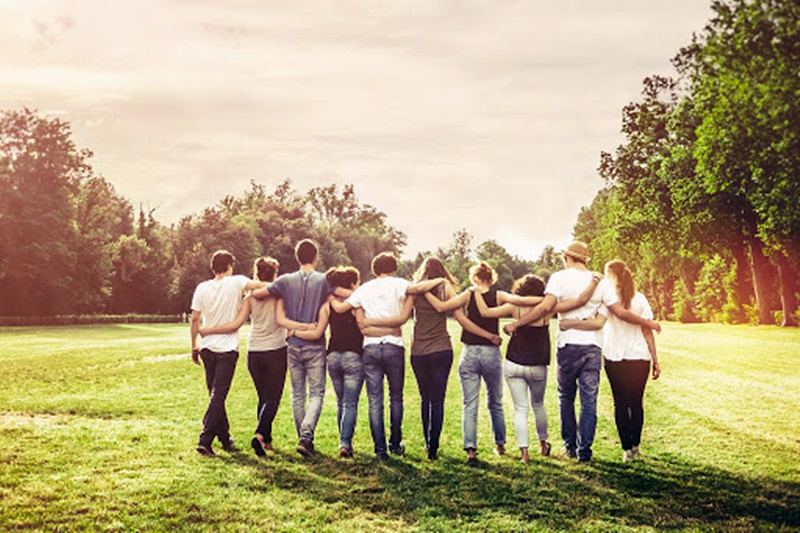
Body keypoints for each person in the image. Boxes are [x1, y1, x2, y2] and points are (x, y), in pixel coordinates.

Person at [503, 242, 660, 463]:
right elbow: (620, 312)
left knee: (566, 399)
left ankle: (570, 448)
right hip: (592, 348)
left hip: (567, 346)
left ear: (567, 258)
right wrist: (648, 322)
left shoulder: (559, 278)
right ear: (584, 260)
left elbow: (545, 307)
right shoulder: (601, 283)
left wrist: (517, 324)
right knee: (589, 402)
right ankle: (585, 452)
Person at [474, 273, 600, 463]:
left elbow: (485, 312)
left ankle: (524, 454)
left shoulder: (514, 306)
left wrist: (475, 292)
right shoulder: (548, 309)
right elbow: (579, 301)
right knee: (538, 405)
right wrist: (594, 282)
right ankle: (543, 445)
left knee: (520, 409)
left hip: (513, 362)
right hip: (538, 364)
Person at [331, 252, 444, 460]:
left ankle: (380, 449)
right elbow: (419, 288)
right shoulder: (399, 283)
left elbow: (341, 309)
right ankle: (395, 443)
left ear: (375, 269)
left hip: (370, 347)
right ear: (394, 268)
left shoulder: (364, 289)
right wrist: (440, 279)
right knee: (396, 398)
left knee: (375, 400)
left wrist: (331, 294)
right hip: (393, 346)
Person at [280, 266, 397, 458]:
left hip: (333, 356)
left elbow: (319, 328)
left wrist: (295, 332)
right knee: (350, 404)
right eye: (357, 283)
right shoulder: (357, 303)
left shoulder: (328, 303)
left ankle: (340, 442)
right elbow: (364, 324)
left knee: (340, 402)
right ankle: (345, 444)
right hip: (353, 356)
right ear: (352, 283)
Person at [560, 260, 661, 462]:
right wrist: (655, 359)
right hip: (640, 357)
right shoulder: (640, 299)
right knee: (636, 403)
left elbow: (598, 320)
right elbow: (647, 331)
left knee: (620, 403)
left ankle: (627, 450)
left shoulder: (606, 299)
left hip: (615, 357)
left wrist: (571, 322)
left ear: (613, 276)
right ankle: (635, 445)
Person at [401, 257, 500, 460]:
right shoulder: (445, 287)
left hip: (418, 350)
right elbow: (462, 319)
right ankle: (433, 446)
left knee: (425, 398)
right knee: (437, 399)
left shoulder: (415, 290)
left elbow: (404, 309)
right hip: (441, 349)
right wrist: (488, 335)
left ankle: (428, 443)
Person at [250, 239, 333, 458]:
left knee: (297, 394)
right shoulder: (324, 280)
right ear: (316, 257)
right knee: (316, 393)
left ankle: (303, 438)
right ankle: (306, 437)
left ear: (297, 257)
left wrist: (252, 287)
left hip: (293, 346)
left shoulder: (285, 281)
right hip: (314, 345)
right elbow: (339, 294)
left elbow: (258, 294)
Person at [198, 257, 286, 458]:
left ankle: (266, 440)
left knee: (263, 396)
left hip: (254, 352)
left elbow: (235, 324)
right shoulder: (280, 295)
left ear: (256, 274)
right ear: (274, 274)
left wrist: (209, 330)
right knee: (272, 397)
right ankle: (260, 435)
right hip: (275, 350)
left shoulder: (249, 298)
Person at [189, 250, 266, 457]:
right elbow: (263, 285)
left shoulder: (202, 287)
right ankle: (205, 440)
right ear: (230, 266)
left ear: (213, 267)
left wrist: (194, 345)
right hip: (227, 349)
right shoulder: (237, 281)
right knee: (218, 395)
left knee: (215, 394)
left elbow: (195, 319)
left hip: (207, 347)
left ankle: (224, 437)